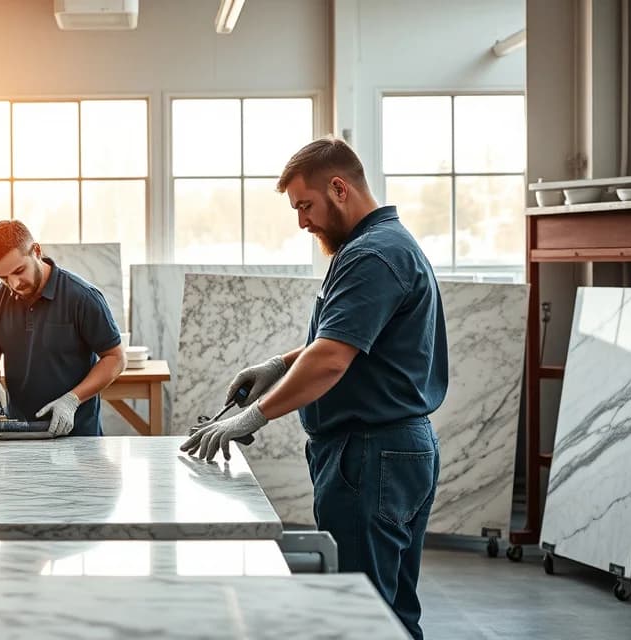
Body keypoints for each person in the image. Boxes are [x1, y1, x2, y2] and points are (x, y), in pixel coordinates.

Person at [181, 136, 446, 639]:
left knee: (358, 610)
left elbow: (330, 360)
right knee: (391, 611)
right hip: (391, 450)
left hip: (372, 454)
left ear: (339, 188)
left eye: (305, 205)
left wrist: (254, 415)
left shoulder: (373, 255)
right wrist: (278, 365)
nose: (302, 221)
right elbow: (346, 339)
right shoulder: (381, 244)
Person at [0, 220, 126, 436]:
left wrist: (72, 400)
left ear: (36, 250)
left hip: (77, 436)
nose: (14, 284)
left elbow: (116, 358)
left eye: (19, 271)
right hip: (18, 434)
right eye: (3, 278)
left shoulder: (82, 297)